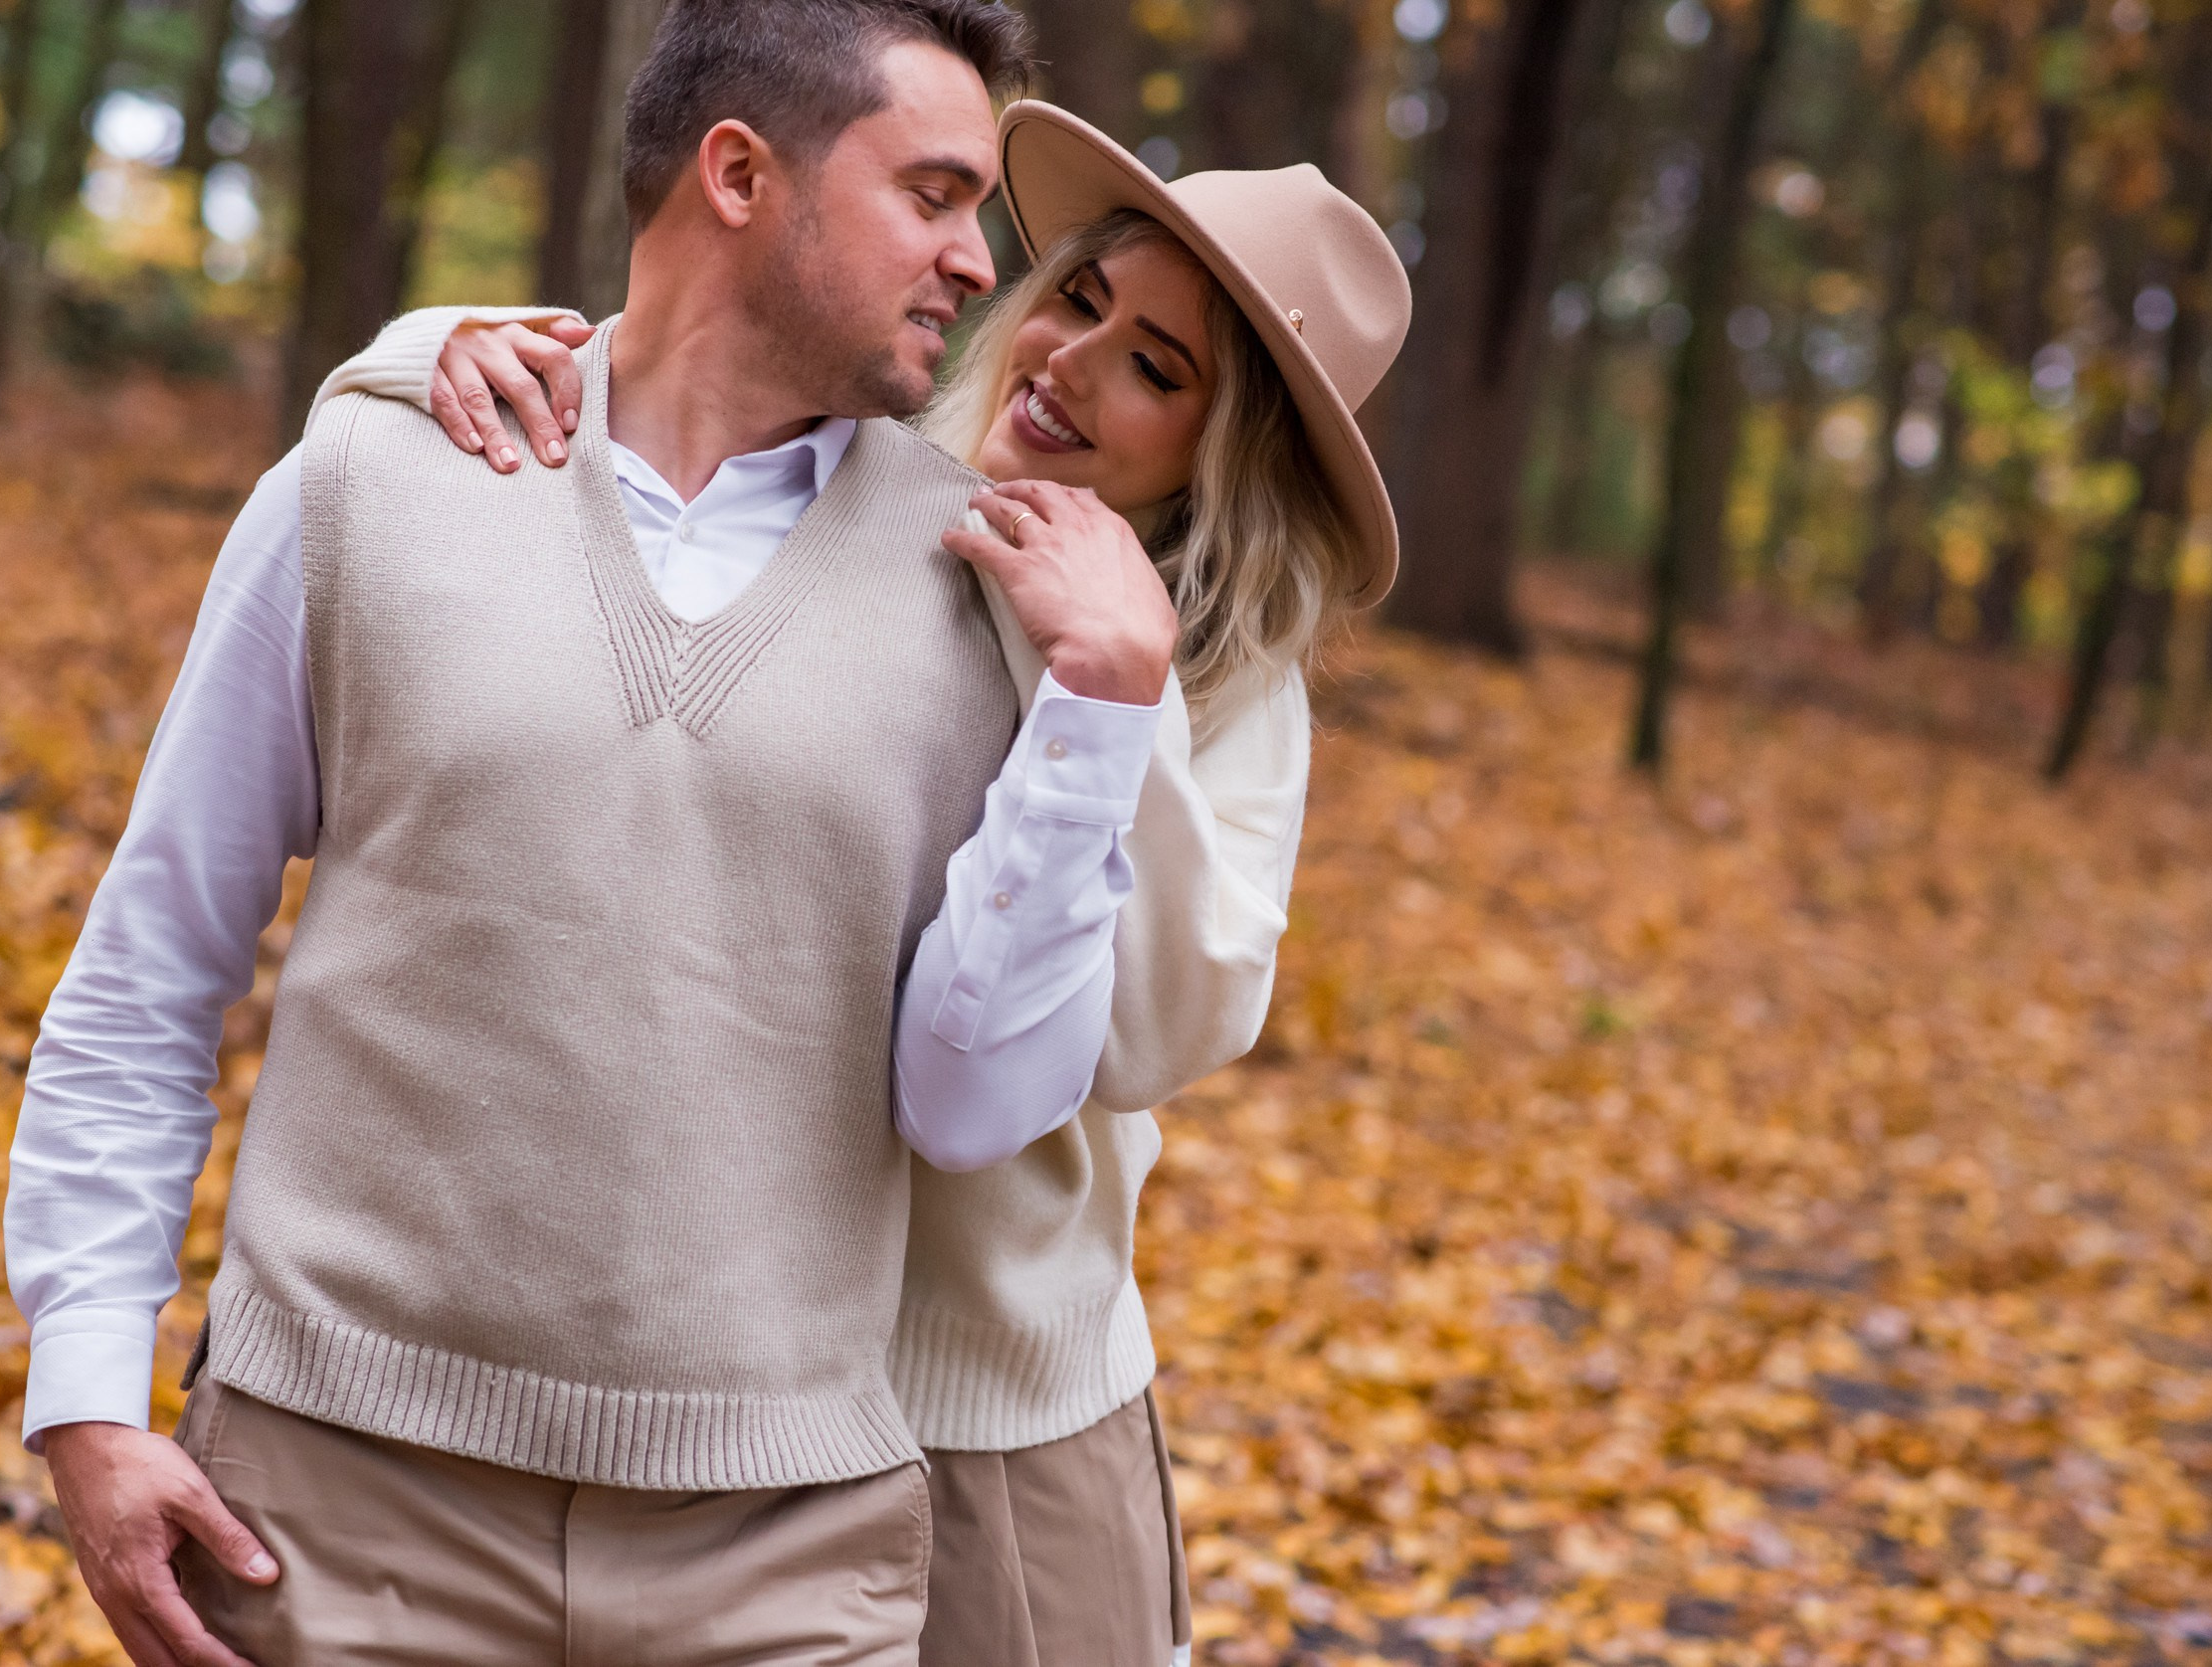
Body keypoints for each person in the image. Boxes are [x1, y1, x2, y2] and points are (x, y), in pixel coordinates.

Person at [0, 0, 1195, 1664]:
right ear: (737, 172)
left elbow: (974, 1103)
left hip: (783, 1555)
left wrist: (1098, 719)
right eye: (930, 195)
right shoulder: (371, 480)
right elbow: (150, 966)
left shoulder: (990, 583)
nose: (980, 263)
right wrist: (89, 1394)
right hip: (333, 1520)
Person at [319, 97, 1412, 1666]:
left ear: (1223, 457)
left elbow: (1161, 1031)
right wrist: (424, 355)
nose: (1071, 364)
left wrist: (1120, 680)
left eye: (1160, 371)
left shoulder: (1232, 688)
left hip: (991, 1432)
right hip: (692, 1394)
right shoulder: (841, 486)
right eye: (1081, 300)